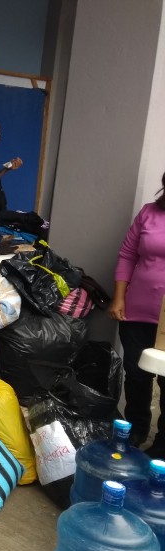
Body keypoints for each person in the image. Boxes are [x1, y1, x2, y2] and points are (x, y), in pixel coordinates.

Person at [108, 173, 165, 458]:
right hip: (137, 311)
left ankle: (163, 442)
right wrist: (119, 297)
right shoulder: (149, 213)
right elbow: (127, 255)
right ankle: (136, 430)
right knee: (137, 374)